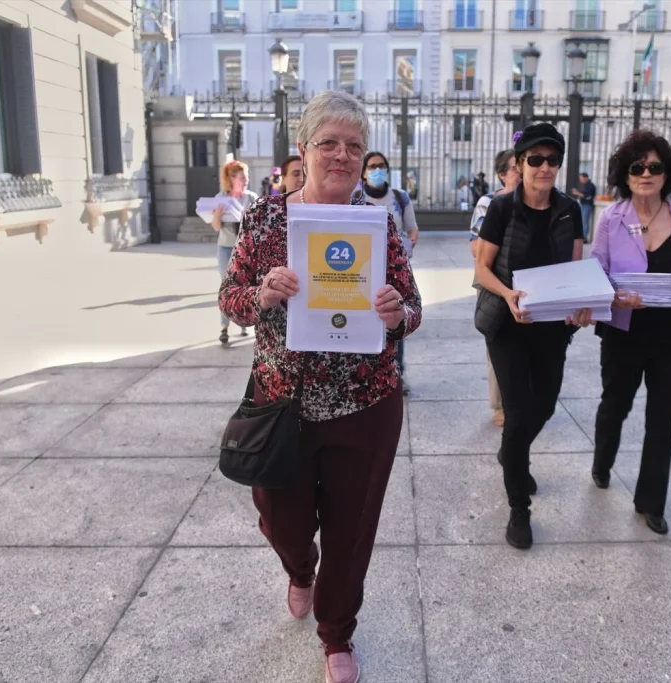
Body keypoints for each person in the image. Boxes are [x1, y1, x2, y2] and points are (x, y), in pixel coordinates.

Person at [219, 89, 422, 683]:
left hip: (365, 402)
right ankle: (299, 567)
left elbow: (413, 309)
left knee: (351, 531)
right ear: (303, 149)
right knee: (281, 521)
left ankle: (337, 633)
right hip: (282, 404)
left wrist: (395, 314)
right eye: (328, 143)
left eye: (354, 146)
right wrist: (261, 295)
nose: (342, 155)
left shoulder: (378, 223)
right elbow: (230, 298)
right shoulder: (265, 218)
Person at [584, 129, 671, 536]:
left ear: (667, 174)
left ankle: (651, 502)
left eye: (654, 167)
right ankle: (602, 462)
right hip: (623, 331)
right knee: (615, 405)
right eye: (637, 167)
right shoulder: (611, 219)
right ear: (624, 175)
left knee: (664, 416)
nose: (646, 174)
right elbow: (597, 272)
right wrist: (614, 296)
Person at [473, 122, 585, 550]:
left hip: (552, 326)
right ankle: (519, 509)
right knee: (518, 415)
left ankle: (511, 452)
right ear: (519, 164)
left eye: (552, 160)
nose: (544, 167)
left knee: (546, 405)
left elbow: (575, 268)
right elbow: (482, 268)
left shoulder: (570, 210)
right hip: (508, 324)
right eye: (535, 159)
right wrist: (508, 294)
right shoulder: (502, 208)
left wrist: (582, 303)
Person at [353, 151, 419, 395]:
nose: (377, 170)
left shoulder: (400, 197)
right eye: (372, 166)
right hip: (362, 271)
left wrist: (406, 246)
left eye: (381, 166)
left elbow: (412, 229)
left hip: (394, 272)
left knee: (395, 320)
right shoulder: (356, 198)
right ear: (363, 172)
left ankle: (397, 373)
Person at [469, 147, 521, 427]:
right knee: (498, 345)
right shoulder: (488, 203)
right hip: (494, 283)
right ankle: (500, 405)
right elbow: (475, 247)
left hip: (528, 284)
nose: (522, 172)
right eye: (515, 168)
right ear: (502, 174)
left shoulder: (542, 202)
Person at [211, 159, 258, 345]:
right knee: (227, 287)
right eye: (242, 177)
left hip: (247, 249)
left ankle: (244, 322)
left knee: (247, 286)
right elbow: (216, 227)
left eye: (247, 176)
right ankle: (224, 327)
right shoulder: (221, 197)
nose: (246, 180)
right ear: (231, 179)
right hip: (225, 248)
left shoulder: (252, 198)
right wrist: (217, 215)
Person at [571, 172, 597, 242]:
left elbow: (587, 196)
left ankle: (584, 237)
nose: (580, 180)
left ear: (586, 178)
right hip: (582, 204)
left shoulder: (591, 186)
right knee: (582, 221)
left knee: (585, 221)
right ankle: (582, 236)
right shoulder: (584, 185)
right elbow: (583, 194)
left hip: (587, 205)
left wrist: (577, 193)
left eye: (581, 178)